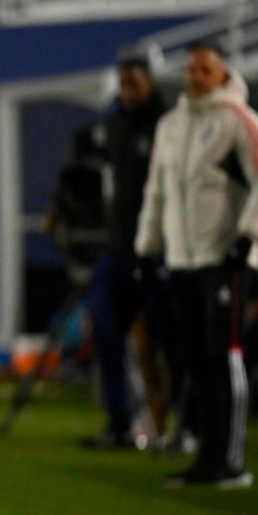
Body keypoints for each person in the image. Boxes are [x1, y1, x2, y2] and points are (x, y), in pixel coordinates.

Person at [135, 41, 258, 488]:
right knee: (196, 361)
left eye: (205, 69)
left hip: (225, 261)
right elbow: (156, 193)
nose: (196, 77)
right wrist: (147, 249)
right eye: (191, 69)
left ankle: (231, 461)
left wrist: (248, 235)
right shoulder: (171, 125)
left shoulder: (240, 120)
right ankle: (206, 456)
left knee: (225, 358)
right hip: (183, 260)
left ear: (222, 74)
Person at [80, 56, 178, 450]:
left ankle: (180, 425)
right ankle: (119, 422)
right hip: (119, 247)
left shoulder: (168, 124)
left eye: (135, 83)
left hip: (161, 249)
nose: (128, 91)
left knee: (170, 340)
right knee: (104, 329)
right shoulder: (114, 124)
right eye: (124, 84)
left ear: (150, 84)